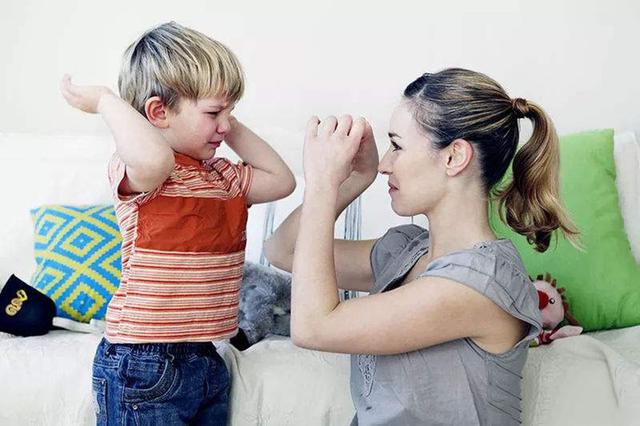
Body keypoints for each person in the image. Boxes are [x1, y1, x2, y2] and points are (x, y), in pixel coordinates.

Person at [264, 68, 579, 425]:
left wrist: (322, 184)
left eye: (397, 146)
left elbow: (313, 328)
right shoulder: (407, 250)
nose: (385, 164)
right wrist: (354, 179)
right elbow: (283, 250)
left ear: (454, 157)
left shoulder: (481, 284)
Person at [61, 22, 295, 425]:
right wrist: (106, 101)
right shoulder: (145, 173)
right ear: (158, 112)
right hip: (142, 361)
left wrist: (224, 118)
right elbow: (156, 158)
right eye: (214, 113)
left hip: (205, 355)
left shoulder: (223, 178)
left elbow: (282, 181)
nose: (226, 125)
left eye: (231, 112)